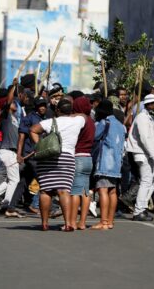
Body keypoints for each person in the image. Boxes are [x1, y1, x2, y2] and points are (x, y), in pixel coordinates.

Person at [30, 98, 85, 231]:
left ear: (57, 110)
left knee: (45, 191)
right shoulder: (78, 121)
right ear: (70, 110)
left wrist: (40, 145)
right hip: (67, 158)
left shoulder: (50, 122)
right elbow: (84, 115)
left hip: (48, 157)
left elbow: (33, 130)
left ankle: (44, 223)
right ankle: (68, 224)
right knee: (64, 191)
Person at [0, 80, 22, 214]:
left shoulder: (14, 118)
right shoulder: (6, 115)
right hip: (8, 151)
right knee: (15, 179)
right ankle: (4, 202)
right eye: (13, 103)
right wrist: (14, 86)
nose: (15, 104)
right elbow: (9, 99)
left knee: (11, 179)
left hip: (9, 152)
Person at [125, 94, 154, 222]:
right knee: (147, 180)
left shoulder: (148, 117)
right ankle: (139, 210)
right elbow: (145, 138)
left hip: (148, 154)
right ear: (149, 105)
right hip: (142, 153)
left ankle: (142, 206)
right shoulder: (142, 118)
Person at [91, 100, 126, 230]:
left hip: (105, 161)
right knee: (112, 191)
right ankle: (110, 221)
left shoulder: (105, 122)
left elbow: (95, 136)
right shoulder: (120, 125)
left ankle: (103, 221)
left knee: (103, 190)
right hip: (117, 162)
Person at [68, 96, 95, 230]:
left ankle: (72, 222)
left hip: (78, 157)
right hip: (88, 158)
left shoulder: (79, 120)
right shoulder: (91, 121)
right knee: (85, 192)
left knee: (74, 192)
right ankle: (82, 222)